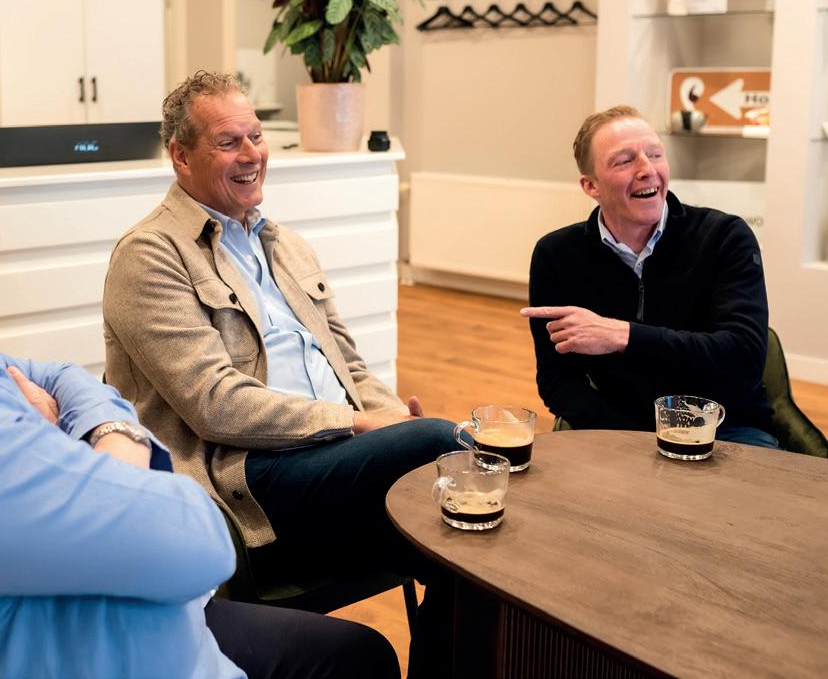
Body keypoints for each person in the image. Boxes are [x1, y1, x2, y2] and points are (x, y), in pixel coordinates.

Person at [0, 123, 401, 679]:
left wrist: (99, 433)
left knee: (362, 646)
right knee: (423, 462)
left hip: (125, 614)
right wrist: (94, 441)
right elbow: (200, 548)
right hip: (130, 639)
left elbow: (60, 375)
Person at [102, 72, 460, 676]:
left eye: (256, 136)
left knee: (471, 545)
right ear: (181, 156)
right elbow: (216, 404)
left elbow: (348, 364)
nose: (251, 154)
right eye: (228, 142)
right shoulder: (150, 255)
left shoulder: (286, 245)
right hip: (251, 483)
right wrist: (359, 425)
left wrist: (390, 414)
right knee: (445, 446)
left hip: (330, 464)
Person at [521, 105, 778, 448]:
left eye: (655, 154)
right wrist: (633, 442)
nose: (648, 170)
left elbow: (743, 359)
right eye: (624, 161)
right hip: (620, 430)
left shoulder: (725, 237)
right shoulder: (556, 255)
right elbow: (558, 380)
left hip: (726, 427)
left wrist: (623, 335)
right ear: (590, 185)